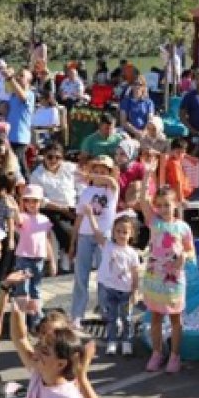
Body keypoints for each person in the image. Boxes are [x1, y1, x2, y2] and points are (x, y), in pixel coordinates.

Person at [135, 182, 196, 374]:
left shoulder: (183, 227)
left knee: (175, 318)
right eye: (159, 205)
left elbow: (191, 250)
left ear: (176, 204)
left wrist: (184, 256)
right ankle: (157, 352)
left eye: (167, 205)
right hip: (155, 277)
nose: (162, 209)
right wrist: (147, 175)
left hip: (174, 278)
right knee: (155, 317)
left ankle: (175, 355)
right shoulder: (154, 221)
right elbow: (143, 200)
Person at [68, 157, 120, 326]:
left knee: (105, 275)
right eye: (96, 171)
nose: (99, 175)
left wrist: (90, 176)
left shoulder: (112, 190)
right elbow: (79, 218)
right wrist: (73, 242)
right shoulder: (86, 192)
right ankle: (77, 314)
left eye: (103, 171)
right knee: (81, 275)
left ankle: (106, 311)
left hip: (103, 236)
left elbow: (111, 181)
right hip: (84, 235)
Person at [92, 215, 141, 357]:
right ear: (113, 232)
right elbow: (97, 233)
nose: (121, 235)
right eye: (118, 231)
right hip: (110, 290)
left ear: (131, 234)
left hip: (125, 291)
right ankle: (112, 341)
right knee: (111, 317)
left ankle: (127, 342)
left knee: (127, 318)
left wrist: (135, 291)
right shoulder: (108, 246)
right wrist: (90, 215)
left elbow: (135, 273)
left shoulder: (132, 253)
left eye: (125, 232)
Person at [29, 143, 78, 272]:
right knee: (64, 228)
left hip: (73, 206)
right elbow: (40, 199)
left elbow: (81, 185)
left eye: (58, 157)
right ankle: (66, 255)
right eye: (50, 157)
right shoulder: (37, 175)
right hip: (51, 209)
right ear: (44, 156)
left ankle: (75, 255)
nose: (54, 160)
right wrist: (62, 209)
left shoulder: (70, 168)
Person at [15, 184, 57, 318]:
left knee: (36, 288)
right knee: (22, 288)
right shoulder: (23, 216)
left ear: (40, 202)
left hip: (39, 258)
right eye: (28, 201)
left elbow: (47, 240)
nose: (31, 204)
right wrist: (16, 206)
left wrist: (52, 261)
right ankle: (21, 317)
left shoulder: (45, 220)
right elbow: (18, 220)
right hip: (24, 257)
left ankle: (36, 316)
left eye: (35, 201)